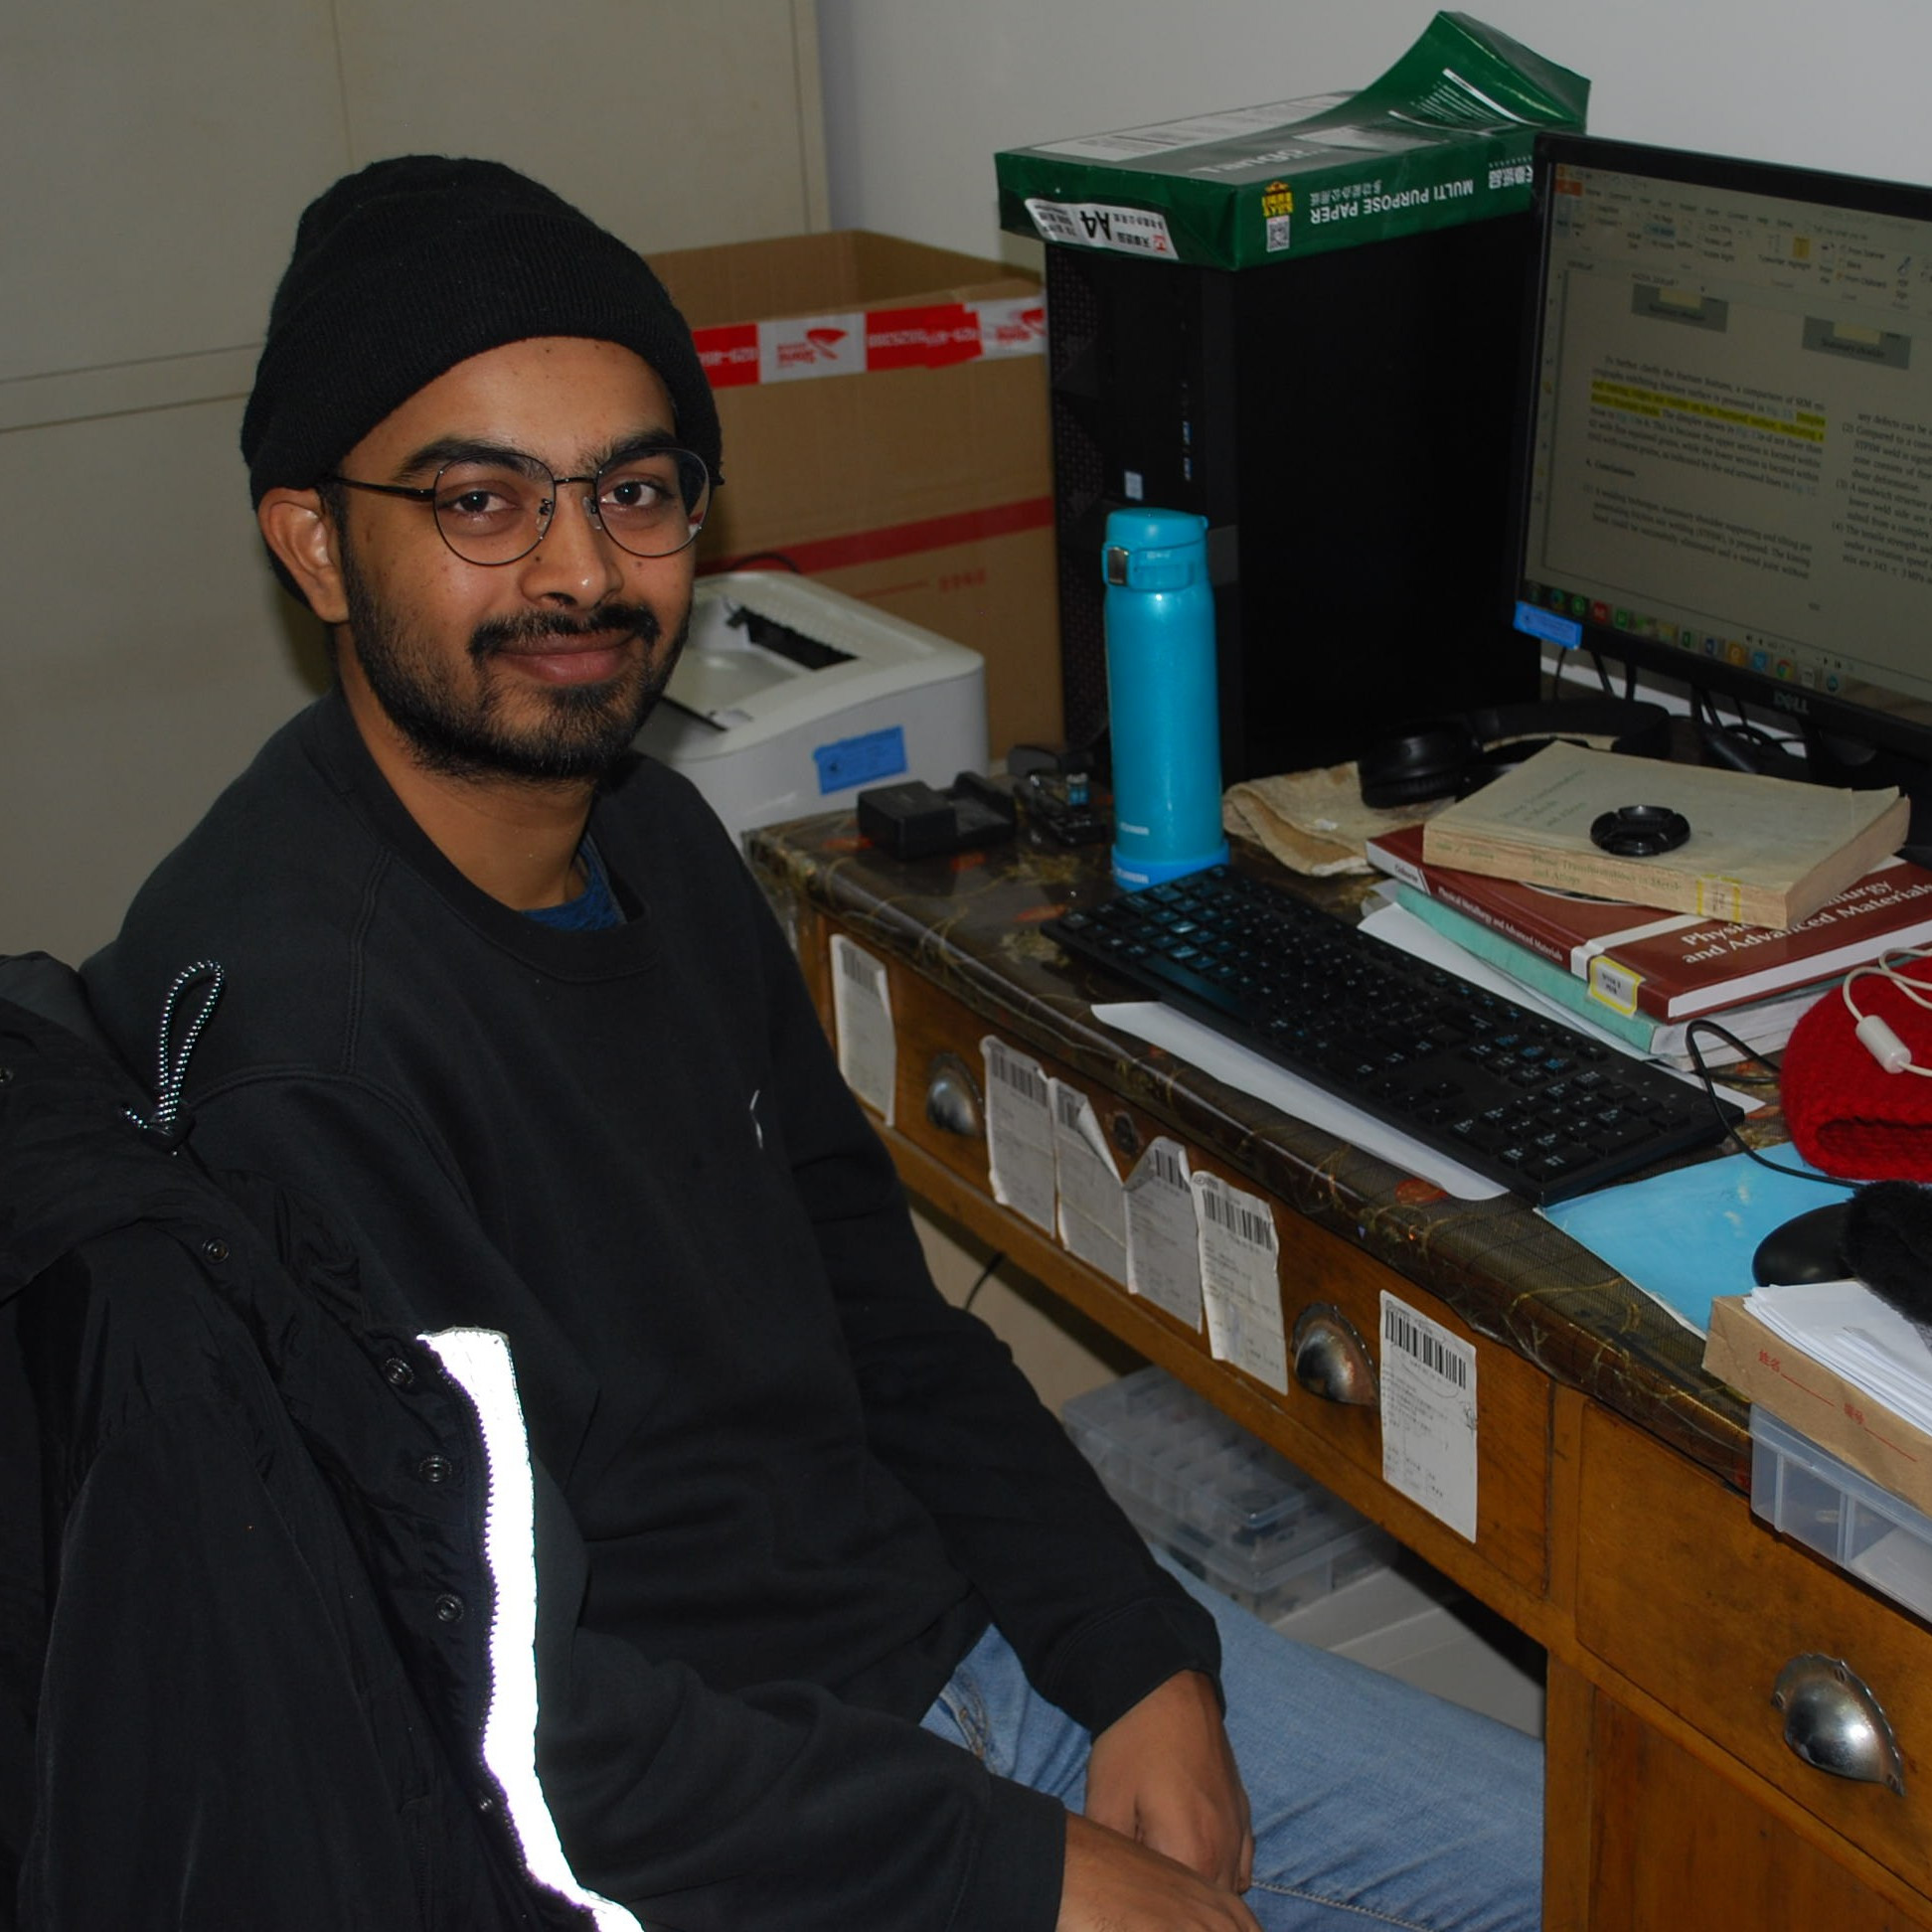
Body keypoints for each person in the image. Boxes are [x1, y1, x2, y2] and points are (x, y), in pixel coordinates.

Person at [81, 156, 1541, 1932]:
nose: (579, 571)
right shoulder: (299, 1042)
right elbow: (491, 1716)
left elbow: (881, 1323)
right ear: (317, 542)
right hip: (712, 1825)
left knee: (1597, 1867)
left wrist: (1137, 1659)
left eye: (633, 492)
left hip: (941, 1654)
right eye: (482, 501)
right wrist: (1018, 1871)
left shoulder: (652, 835)